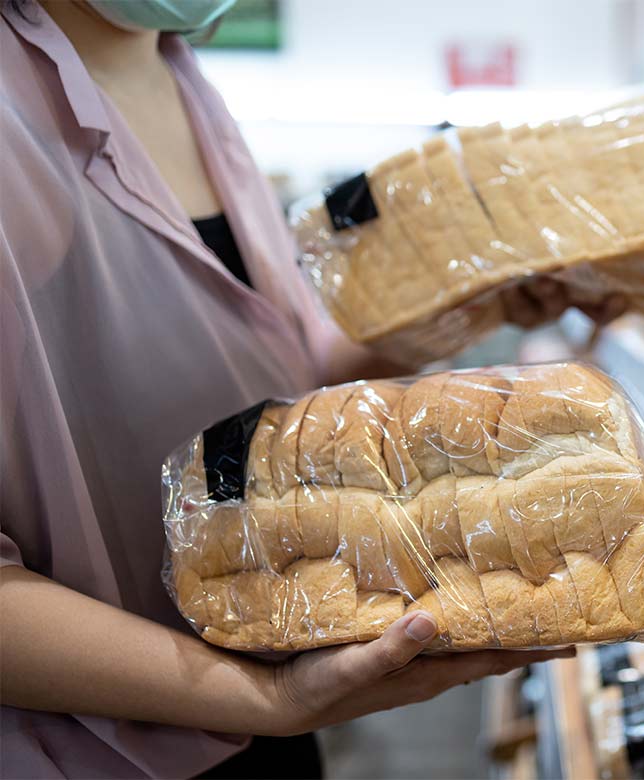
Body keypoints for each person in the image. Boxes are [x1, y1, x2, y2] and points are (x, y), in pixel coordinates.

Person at [0, 1, 600, 777]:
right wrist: (260, 697)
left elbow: (273, 374)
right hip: (89, 746)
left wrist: (475, 301)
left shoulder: (183, 77)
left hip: (271, 685)